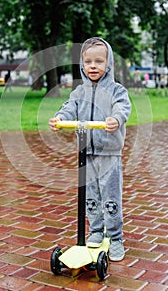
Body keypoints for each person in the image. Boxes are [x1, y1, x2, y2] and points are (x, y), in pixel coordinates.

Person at [49, 37, 131, 262]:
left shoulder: (116, 90)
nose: (93, 66)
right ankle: (96, 230)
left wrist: (116, 118)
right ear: (82, 64)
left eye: (99, 61)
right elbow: (68, 108)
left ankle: (115, 238)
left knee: (111, 196)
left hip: (109, 154)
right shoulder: (79, 92)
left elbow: (123, 107)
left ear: (108, 63)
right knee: (91, 196)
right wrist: (60, 119)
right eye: (88, 62)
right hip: (87, 153)